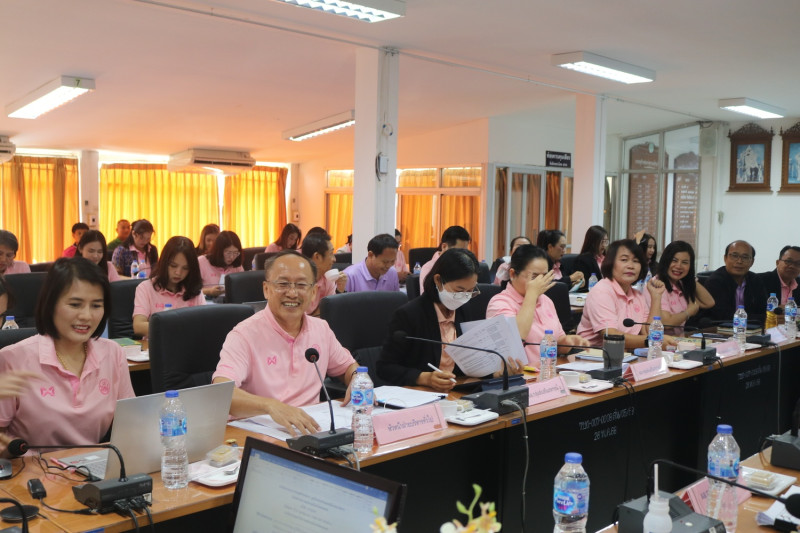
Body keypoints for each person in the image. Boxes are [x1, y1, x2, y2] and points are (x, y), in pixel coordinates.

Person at [212, 251, 358, 436]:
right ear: (266, 289)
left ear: (313, 292)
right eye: (283, 284)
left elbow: (348, 367)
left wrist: (358, 379)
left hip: (310, 432)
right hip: (259, 436)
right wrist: (271, 406)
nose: (292, 293)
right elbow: (222, 393)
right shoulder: (244, 335)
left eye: (301, 285)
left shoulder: (321, 329)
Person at [0, 257, 134, 448]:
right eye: (75, 304)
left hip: (94, 463)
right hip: (32, 466)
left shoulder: (113, 353)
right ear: (51, 305)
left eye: (96, 305)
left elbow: (132, 423)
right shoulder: (13, 359)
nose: (86, 316)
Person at [378, 248, 525, 393]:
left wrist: (496, 374)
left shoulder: (464, 310)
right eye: (459, 290)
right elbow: (384, 367)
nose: (464, 297)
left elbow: (468, 363)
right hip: (420, 394)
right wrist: (424, 378)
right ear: (438, 280)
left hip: (456, 392)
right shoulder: (409, 315)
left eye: (470, 291)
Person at [487, 245, 589, 368]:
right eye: (534, 277)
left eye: (544, 276)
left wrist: (567, 342)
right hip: (520, 375)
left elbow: (555, 343)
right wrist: (531, 294)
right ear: (513, 274)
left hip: (547, 372)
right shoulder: (499, 303)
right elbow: (517, 338)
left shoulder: (546, 301)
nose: (540, 282)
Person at [576, 239, 676, 349]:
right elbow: (610, 336)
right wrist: (651, 340)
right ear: (610, 263)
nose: (631, 266)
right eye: (624, 260)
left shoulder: (637, 295)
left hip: (624, 353)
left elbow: (647, 332)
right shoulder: (602, 291)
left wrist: (656, 297)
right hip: (591, 353)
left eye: (636, 261)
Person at [132, 236, 204, 337]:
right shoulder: (145, 288)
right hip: (157, 344)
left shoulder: (194, 291)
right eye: (173, 266)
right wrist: (175, 329)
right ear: (164, 262)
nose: (178, 272)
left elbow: (204, 325)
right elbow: (138, 326)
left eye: (185, 268)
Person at [653, 241, 715, 330]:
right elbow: (666, 323)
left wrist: (690, 278)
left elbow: (709, 303)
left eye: (685, 262)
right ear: (665, 261)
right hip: (660, 338)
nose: (679, 266)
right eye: (674, 260)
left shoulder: (680, 284)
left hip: (679, 337)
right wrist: (688, 312)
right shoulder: (657, 284)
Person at [701, 240, 767, 322]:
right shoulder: (715, 282)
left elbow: (764, 311)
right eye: (734, 256)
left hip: (752, 328)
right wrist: (758, 318)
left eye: (745, 257)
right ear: (725, 258)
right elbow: (723, 316)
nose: (739, 261)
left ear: (752, 262)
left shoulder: (756, 280)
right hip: (721, 328)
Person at [301, 232, 347, 316]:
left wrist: (339, 290)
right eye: (331, 254)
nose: (334, 259)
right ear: (317, 257)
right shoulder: (297, 282)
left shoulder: (328, 278)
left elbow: (330, 312)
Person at [419, 226, 471, 291]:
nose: (462, 255)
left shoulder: (463, 266)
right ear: (444, 247)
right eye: (458, 251)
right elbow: (428, 296)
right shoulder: (429, 268)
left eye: (465, 251)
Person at [198, 231, 245, 299]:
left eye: (235, 253)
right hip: (207, 303)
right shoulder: (201, 262)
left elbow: (243, 287)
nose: (232, 257)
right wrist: (209, 291)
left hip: (232, 303)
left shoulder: (237, 265)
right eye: (228, 253)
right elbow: (190, 291)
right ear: (219, 251)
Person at [573, 225, 608, 291]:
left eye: (605, 241)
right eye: (601, 242)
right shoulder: (583, 260)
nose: (604, 245)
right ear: (593, 242)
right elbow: (584, 286)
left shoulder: (608, 258)